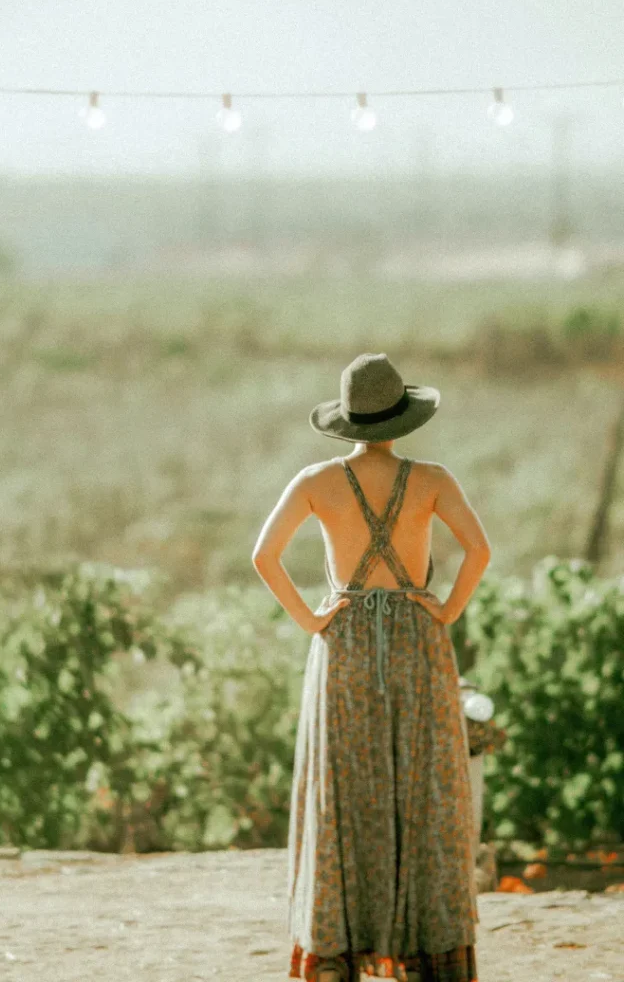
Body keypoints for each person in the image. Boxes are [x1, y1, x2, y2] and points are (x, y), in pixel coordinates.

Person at [251, 353, 491, 982]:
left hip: (345, 640)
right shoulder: (432, 479)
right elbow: (479, 549)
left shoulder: (316, 481)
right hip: (417, 638)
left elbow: (264, 556)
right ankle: (426, 948)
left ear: (347, 419)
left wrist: (311, 621)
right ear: (402, 417)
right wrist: (447, 610)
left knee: (342, 788)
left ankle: (339, 950)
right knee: (426, 787)